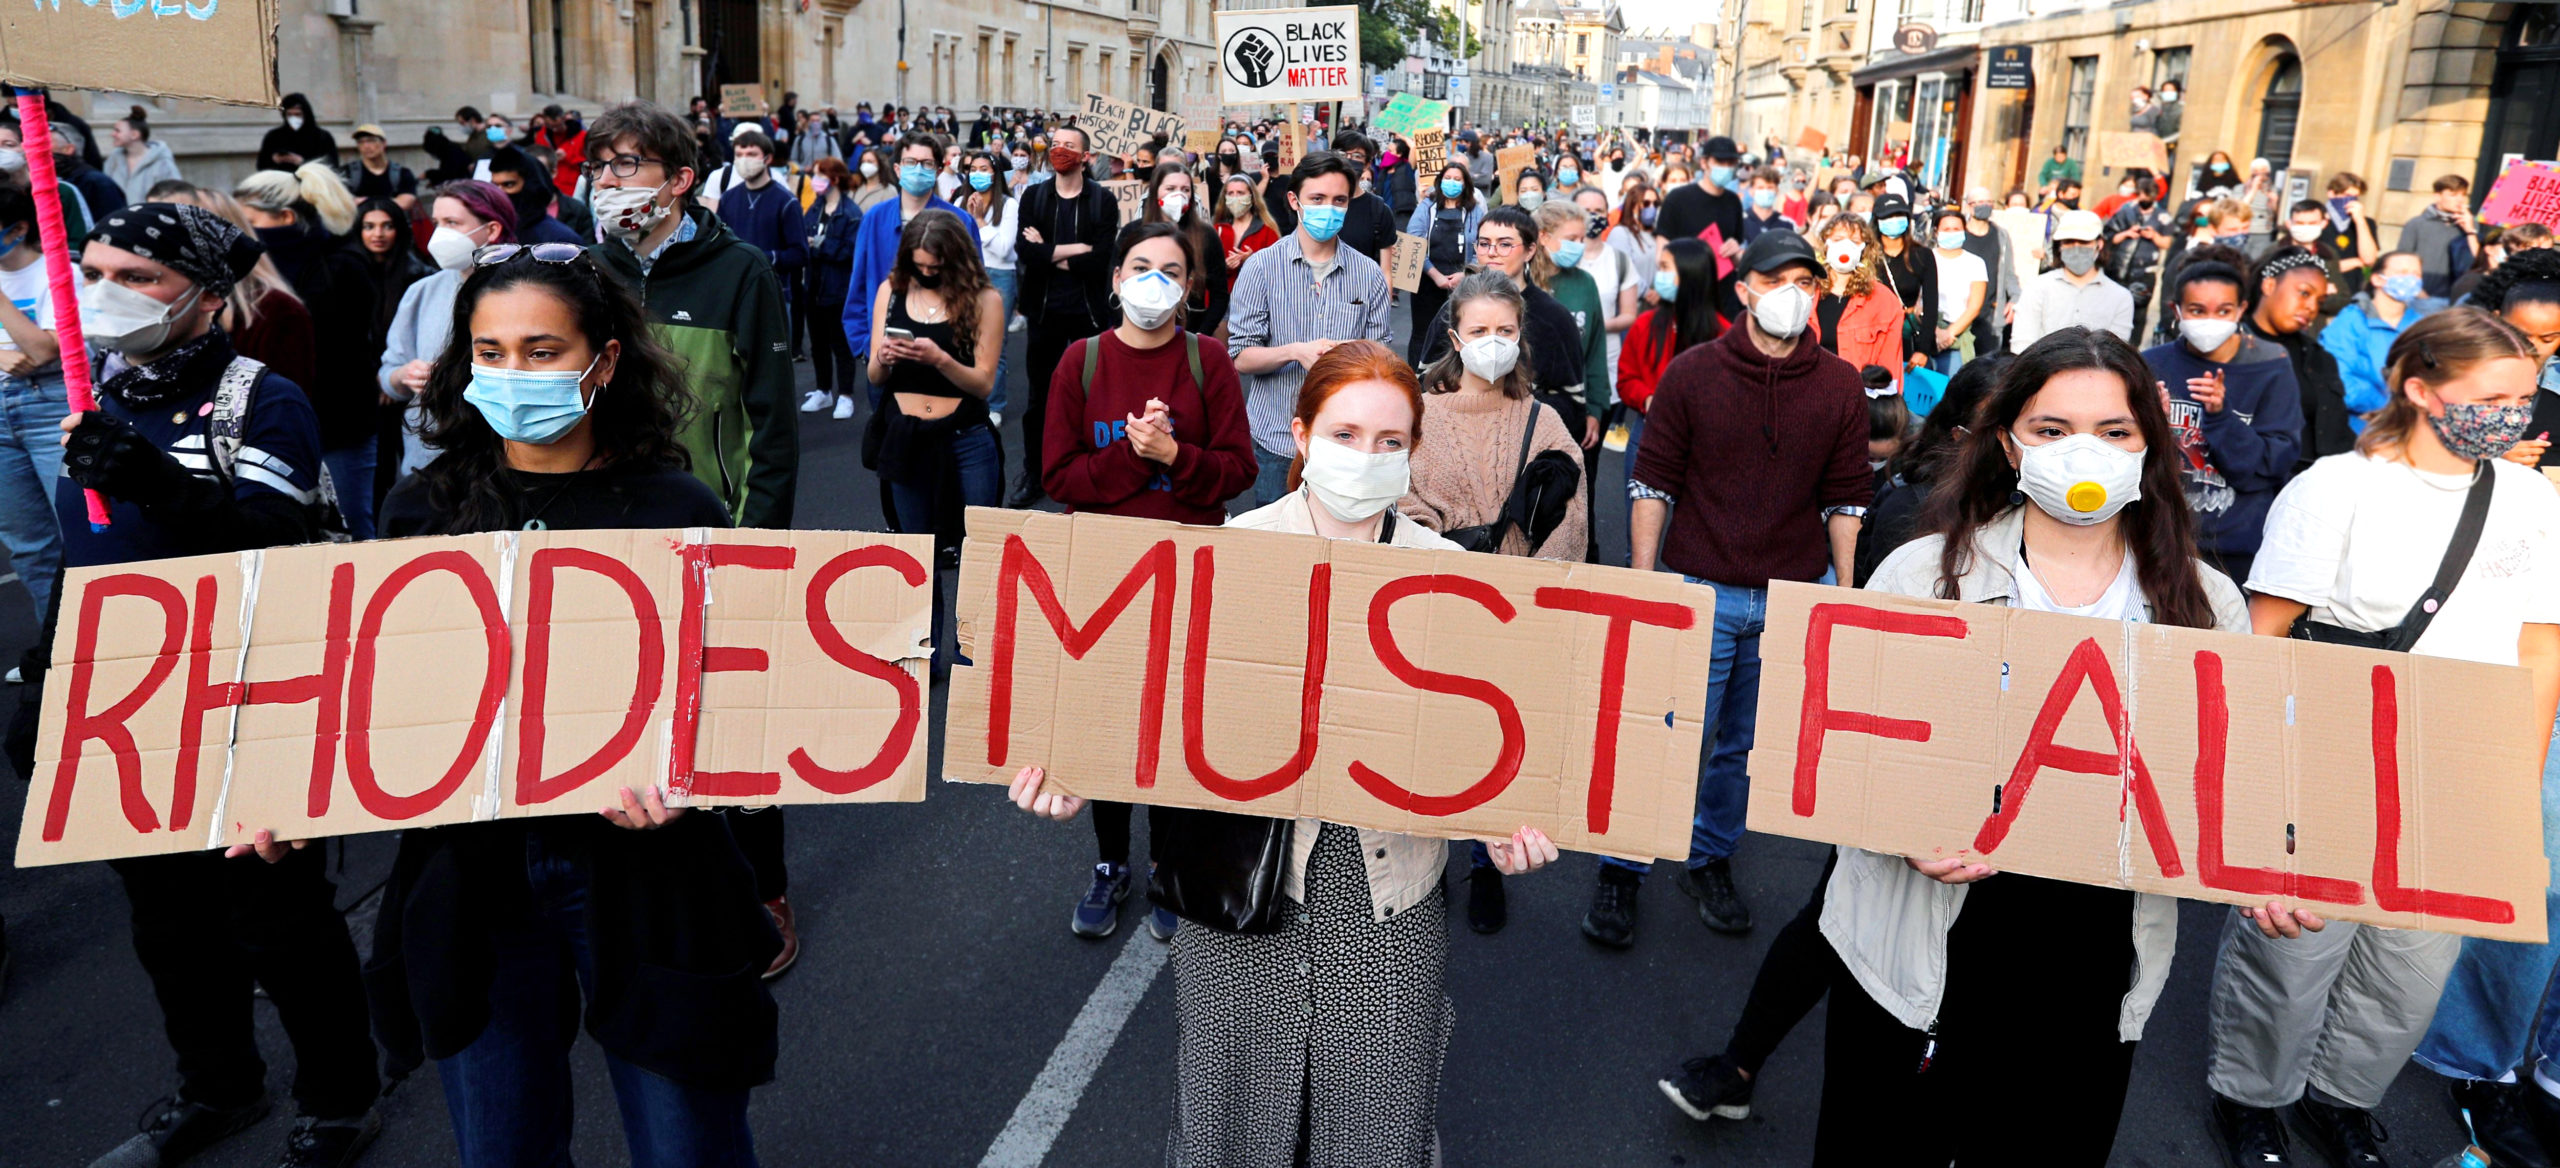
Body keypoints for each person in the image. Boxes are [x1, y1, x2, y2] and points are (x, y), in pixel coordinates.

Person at [1008, 340, 1560, 1168]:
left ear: (1413, 453)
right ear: (1299, 436)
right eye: (1344, 434)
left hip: (1386, 896)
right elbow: (1151, 700)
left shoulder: (1458, 581)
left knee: (1376, 1128)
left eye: (1389, 442)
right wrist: (1078, 766)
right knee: (1233, 1125)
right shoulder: (1223, 554)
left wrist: (1506, 823)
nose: (1365, 458)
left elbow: (1487, 745)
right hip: (1242, 883)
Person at [344, 242, 778, 1168]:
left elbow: (729, 694)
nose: (511, 373)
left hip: (648, 872)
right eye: (490, 352)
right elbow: (381, 694)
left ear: (604, 358)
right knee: (504, 1149)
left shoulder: (677, 507)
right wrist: (284, 795)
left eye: (542, 351)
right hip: (477, 875)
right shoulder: (421, 510)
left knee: (687, 1145)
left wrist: (686, 779)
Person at [1812, 327, 2287, 1165]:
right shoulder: (1920, 576)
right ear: (2008, 441)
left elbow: (2223, 768)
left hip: (2093, 950)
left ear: (2150, 445)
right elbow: (1850, 754)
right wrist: (1902, 828)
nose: (2083, 454)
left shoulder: (2207, 604)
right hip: (1929, 932)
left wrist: (2256, 859)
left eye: (2114, 433)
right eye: (2052, 429)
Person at [62, 203, 381, 1168]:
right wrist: (51, 676)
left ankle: (340, 1097)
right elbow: (90, 559)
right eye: (95, 270)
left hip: (251, 695)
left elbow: (278, 549)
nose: (107, 294)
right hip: (134, 704)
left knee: (277, 920)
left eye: (138, 278)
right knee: (170, 924)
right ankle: (218, 1087)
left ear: (203, 295)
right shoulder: (102, 394)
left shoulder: (261, 397)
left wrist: (158, 483)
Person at [2210, 307, 2560, 1168]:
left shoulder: (2527, 495)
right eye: (2499, 397)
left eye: (2527, 397)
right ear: (2420, 389)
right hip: (2334, 744)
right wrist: (2257, 801)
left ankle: (2342, 1098)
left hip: (2462, 761)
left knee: (2410, 969)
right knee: (2295, 947)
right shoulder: (2337, 486)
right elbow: (2265, 634)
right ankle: (2253, 1099)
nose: (2520, 415)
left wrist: (2517, 778)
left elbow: (2541, 644)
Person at [1591, 229, 1870, 948]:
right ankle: (1623, 865)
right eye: (1774, 280)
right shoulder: (1692, 373)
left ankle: (1709, 856)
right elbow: (1654, 480)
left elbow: (1846, 497)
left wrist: (1842, 590)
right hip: (1696, 585)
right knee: (1664, 730)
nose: (1790, 294)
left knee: (1744, 749)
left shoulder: (1838, 383)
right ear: (1742, 288)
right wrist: (1647, 583)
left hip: (1786, 593)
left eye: (1805, 282)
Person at [585, 101, 805, 955]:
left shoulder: (740, 272)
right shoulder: (589, 273)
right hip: (615, 543)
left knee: (733, 725)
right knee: (635, 716)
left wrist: (757, 545)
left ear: (679, 180)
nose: (608, 181)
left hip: (719, 537)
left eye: (628, 164)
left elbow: (772, 430)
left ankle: (765, 893)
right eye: (601, 165)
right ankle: (657, 887)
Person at [1039, 221, 1259, 940]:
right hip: (1105, 584)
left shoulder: (1209, 362)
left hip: (1190, 579)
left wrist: (1174, 453)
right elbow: (1059, 475)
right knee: (1108, 727)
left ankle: (1168, 864)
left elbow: (1236, 472)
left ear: (1192, 288)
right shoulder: (1081, 362)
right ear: (1115, 278)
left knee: (1169, 728)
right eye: (1141, 266)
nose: (1155, 282)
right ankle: (1110, 864)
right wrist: (1139, 458)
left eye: (1172, 269)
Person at [1401, 267, 1590, 926]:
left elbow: (1569, 529)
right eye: (1479, 330)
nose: (1492, 341)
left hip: (1514, 619)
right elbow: (1403, 509)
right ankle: (1423, 866)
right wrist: (1448, 568)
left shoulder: (1546, 424)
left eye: (1504, 330)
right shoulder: (1417, 416)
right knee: (1426, 742)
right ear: (1455, 334)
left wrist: (1519, 599)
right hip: (1434, 611)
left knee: (1491, 745)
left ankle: (1485, 863)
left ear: (1520, 336)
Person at [864, 209, 1005, 646]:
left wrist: (940, 359)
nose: (926, 274)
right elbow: (873, 376)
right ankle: (927, 649)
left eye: (935, 268)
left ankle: (974, 651)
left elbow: (983, 383)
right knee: (917, 552)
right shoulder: (892, 290)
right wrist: (885, 359)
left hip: (966, 438)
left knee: (978, 550)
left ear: (956, 261)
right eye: (919, 267)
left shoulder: (985, 300)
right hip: (908, 439)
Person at [1228, 150, 1395, 507]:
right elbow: (1241, 355)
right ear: (1294, 200)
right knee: (1277, 541)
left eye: (1339, 200)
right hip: (1278, 439)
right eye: (1317, 199)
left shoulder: (1368, 274)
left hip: (1346, 442)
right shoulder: (1261, 268)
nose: (1329, 209)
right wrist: (1294, 352)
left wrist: (1355, 354)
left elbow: (1383, 354)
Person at [234, 166, 382, 537]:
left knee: (349, 525)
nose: (242, 232)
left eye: (250, 221)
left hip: (338, 427)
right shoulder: (253, 270)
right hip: (271, 426)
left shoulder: (341, 267)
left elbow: (346, 355)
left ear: (285, 217)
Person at [2142, 246, 2304, 585]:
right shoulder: (2152, 363)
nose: (2210, 321)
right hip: (2160, 538)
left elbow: (2269, 465)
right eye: (2197, 310)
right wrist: (2147, 423)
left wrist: (2219, 416)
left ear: (2241, 309)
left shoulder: (2269, 364)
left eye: (2223, 310)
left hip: (2235, 548)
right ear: (2177, 310)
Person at [379, 181, 518, 476]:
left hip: (505, 458)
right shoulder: (423, 291)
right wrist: (404, 375)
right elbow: (388, 374)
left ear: (492, 230)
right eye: (437, 222)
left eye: (452, 223)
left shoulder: (527, 288)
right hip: (429, 462)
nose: (439, 233)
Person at [1009, 124, 1115, 507]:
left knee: (1092, 396)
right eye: (1055, 145)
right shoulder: (1035, 197)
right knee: (1040, 399)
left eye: (1069, 147)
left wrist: (1050, 252)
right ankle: (1035, 473)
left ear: (1085, 157)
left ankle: (1091, 471)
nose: (1059, 151)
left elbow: (1100, 259)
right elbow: (1026, 251)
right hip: (1043, 313)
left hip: (1088, 315)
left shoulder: (1102, 201)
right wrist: (1074, 250)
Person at [0, 183, 65, 635]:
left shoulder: (59, 274)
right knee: (28, 547)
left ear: (17, 229)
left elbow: (41, 350)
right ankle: (53, 652)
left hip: (49, 406)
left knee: (77, 532)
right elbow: (19, 352)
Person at [349, 196, 430, 499]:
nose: (378, 234)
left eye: (387, 226)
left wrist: (392, 375)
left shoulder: (418, 275)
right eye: (369, 226)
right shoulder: (349, 270)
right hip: (367, 386)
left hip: (409, 381)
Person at [2247, 246, 2356, 467]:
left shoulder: (2319, 358)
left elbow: (2337, 434)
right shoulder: (2231, 347)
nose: (2311, 307)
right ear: (2269, 285)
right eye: (2304, 293)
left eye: (2320, 300)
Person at [715, 129, 807, 372]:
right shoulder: (728, 199)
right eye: (739, 153)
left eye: (751, 153)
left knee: (773, 369)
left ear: (767, 158)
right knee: (736, 368)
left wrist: (762, 258)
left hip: (774, 296)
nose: (744, 159)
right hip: (735, 295)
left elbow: (800, 253)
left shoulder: (786, 201)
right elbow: (719, 243)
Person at [2323, 250, 2446, 432]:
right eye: (2403, 273)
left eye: (2416, 274)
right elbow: (2337, 375)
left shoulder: (2422, 325)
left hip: (2412, 426)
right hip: (2361, 426)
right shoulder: (2351, 321)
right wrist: (2386, 408)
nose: (2411, 279)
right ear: (2377, 279)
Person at [2471, 247, 2560, 467]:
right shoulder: (2462, 371)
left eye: (2547, 339)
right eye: (2521, 335)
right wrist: (2491, 452)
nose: (2532, 347)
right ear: (2497, 320)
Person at [797, 156, 865, 420]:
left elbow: (848, 251)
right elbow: (803, 237)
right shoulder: (815, 207)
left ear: (834, 179)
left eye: (820, 176)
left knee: (841, 344)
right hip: (813, 286)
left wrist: (819, 247)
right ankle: (823, 390)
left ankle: (845, 395)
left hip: (838, 288)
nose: (815, 181)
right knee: (817, 343)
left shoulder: (850, 213)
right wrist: (813, 245)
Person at [1813, 214, 1907, 393]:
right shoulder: (1807, 293)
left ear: (1865, 249)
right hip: (1810, 395)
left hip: (1857, 401)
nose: (1845, 246)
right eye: (1838, 239)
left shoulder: (1884, 301)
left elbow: (1890, 368)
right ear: (1825, 244)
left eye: (1855, 241)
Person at [1658, 135, 1745, 313]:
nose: (1726, 167)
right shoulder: (1678, 199)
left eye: (1731, 163)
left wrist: (1735, 251)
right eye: (1720, 162)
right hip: (1686, 297)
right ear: (1704, 163)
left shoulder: (1733, 202)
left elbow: (1737, 257)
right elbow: (1661, 252)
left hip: (1723, 300)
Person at [1142, 162, 1229, 337]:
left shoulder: (1206, 236)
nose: (1178, 195)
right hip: (1142, 331)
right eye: (1170, 188)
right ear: (1155, 191)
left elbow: (1219, 294)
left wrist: (1202, 334)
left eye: (1185, 190)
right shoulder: (1136, 233)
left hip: (1191, 331)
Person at [1406, 162, 1481, 366]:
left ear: (1465, 184)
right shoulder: (1427, 206)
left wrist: (1466, 274)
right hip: (1427, 282)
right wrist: (1435, 275)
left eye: (1457, 179)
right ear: (1440, 181)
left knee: (1456, 332)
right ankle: (1417, 378)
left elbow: (1481, 245)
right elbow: (1414, 240)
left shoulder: (1474, 210)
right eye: (1448, 178)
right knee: (1423, 332)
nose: (1452, 183)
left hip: (1463, 284)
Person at [2103, 175, 2177, 345]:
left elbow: (2167, 242)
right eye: (2143, 195)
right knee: (2113, 309)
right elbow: (2109, 237)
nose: (2145, 200)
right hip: (2120, 268)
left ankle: (2132, 348)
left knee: (2139, 314)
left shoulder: (2162, 216)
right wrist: (2127, 233)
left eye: (2149, 197)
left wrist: (2154, 236)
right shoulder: (2125, 211)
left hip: (2145, 271)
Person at [1872, 194, 1936, 369]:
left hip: (1905, 334)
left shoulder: (1922, 255)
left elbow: (1931, 305)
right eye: (1887, 216)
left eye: (1898, 215)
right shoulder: (1867, 255)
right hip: (1872, 333)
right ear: (1877, 220)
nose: (1893, 220)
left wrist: (1923, 350)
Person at [1928, 205, 1988, 374]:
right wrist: (1935, 331)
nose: (1952, 232)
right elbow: (1918, 301)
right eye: (1946, 229)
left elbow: (1974, 306)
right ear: (1936, 232)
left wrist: (1948, 334)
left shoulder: (1975, 263)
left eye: (1956, 229)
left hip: (1957, 336)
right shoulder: (1926, 258)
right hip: (1926, 331)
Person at [2402, 174, 2481, 301]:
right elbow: (2402, 259)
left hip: (2457, 297)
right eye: (2453, 195)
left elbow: (2479, 260)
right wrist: (2418, 290)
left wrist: (2470, 231)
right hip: (2423, 295)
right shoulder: (2417, 223)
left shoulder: (2470, 224)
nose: (2460, 200)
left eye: (2463, 195)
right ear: (2437, 196)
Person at [486, 146, 583, 246]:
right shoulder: (491, 232)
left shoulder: (561, 240)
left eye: (509, 185)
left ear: (529, 185)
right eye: (495, 185)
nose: (499, 192)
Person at [1960, 188, 2013, 358]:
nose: (1985, 206)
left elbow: (2009, 273)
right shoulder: (1958, 235)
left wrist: (2014, 299)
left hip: (1989, 316)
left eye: (1989, 202)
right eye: (1980, 202)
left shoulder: (2001, 235)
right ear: (1969, 206)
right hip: (1959, 313)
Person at [1214, 171, 1279, 298]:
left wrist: (1252, 260)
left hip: (1255, 298)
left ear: (1252, 196)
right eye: (1230, 193)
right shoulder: (1218, 229)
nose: (1235, 197)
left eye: (1240, 193)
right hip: (1223, 301)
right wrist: (1224, 266)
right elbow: (1207, 271)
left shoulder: (1267, 231)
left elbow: (1277, 270)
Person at [2323, 172, 2385, 300]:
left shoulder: (2366, 223)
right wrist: (2355, 262)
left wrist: (2360, 221)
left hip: (2353, 292)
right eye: (2347, 196)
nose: (2350, 201)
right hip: (2325, 290)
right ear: (2331, 193)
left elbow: (2369, 260)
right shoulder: (2318, 221)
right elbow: (2315, 264)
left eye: (2355, 197)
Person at [105, 106, 182, 206]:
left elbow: (175, 197)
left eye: (117, 131)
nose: (112, 134)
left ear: (134, 135)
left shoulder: (163, 163)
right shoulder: (113, 160)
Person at [338, 123, 419, 211]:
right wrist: (390, 202)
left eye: (371, 140)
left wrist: (364, 202)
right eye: (361, 142)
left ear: (384, 143)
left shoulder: (402, 173)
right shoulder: (347, 172)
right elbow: (340, 202)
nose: (366, 146)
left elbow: (405, 202)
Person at [256, 92, 339, 173]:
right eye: (289, 114)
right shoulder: (274, 137)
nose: (293, 119)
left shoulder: (322, 137)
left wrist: (302, 162)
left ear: (306, 114)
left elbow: (331, 167)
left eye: (297, 114)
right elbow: (261, 167)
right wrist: (274, 160)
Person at [1740, 167, 1789, 241]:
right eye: (1760, 188)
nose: (1765, 191)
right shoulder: (1739, 221)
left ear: (1777, 191)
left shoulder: (1787, 224)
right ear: (1751, 191)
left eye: (1770, 188)